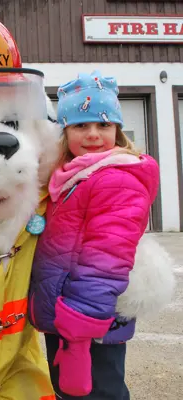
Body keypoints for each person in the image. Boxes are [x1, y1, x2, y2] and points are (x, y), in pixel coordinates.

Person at [28, 71, 160, 400]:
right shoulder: (71, 175)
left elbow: (108, 255)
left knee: (100, 391)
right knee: (72, 391)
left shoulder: (116, 177)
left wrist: (81, 319)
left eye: (104, 125)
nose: (93, 134)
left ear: (117, 129)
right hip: (66, 312)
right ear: (65, 131)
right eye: (81, 125)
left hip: (89, 317)